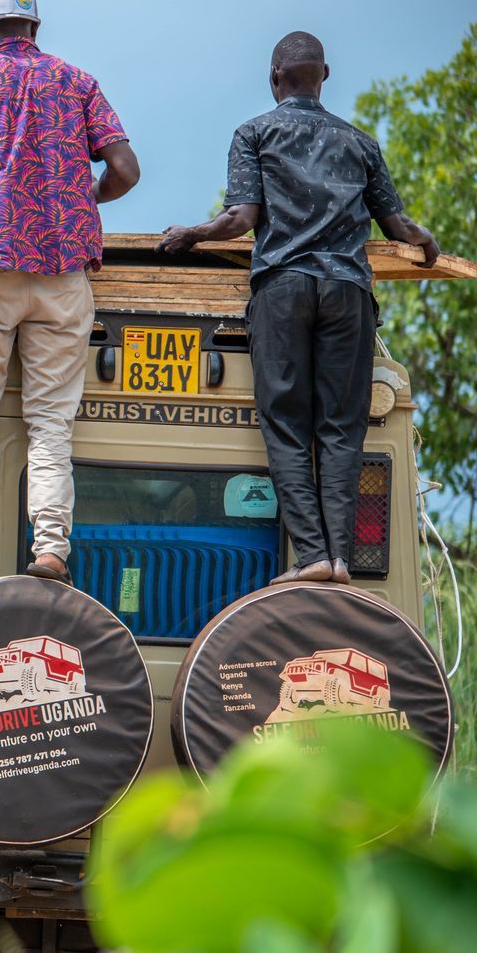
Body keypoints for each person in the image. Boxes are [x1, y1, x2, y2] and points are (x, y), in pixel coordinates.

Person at [160, 31, 440, 585]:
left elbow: (240, 218)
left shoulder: (255, 132)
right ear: (325, 75)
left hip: (284, 291)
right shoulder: (359, 142)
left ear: (273, 76)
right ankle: (339, 560)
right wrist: (427, 244)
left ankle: (312, 556)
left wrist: (189, 234)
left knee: (287, 424)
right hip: (347, 292)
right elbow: (398, 226)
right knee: (342, 427)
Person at [0, 0, 141, 598]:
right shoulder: (77, 83)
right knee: (51, 422)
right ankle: (49, 550)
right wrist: (79, 203)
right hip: (61, 275)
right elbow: (125, 170)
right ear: (36, 30)